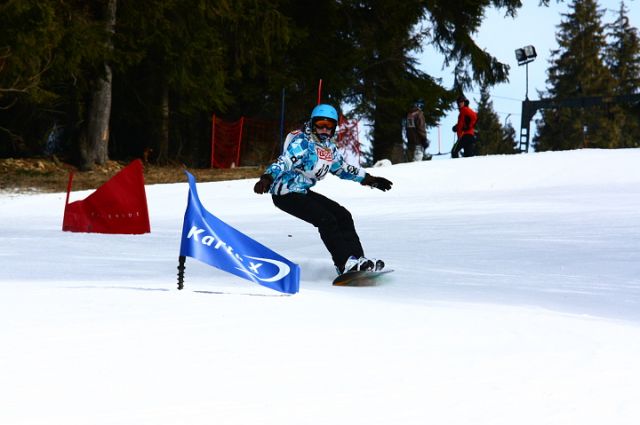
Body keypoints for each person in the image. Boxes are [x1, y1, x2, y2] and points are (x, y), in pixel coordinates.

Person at [253, 104, 393, 275]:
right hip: (285, 193)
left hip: (302, 191)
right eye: (320, 124)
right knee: (326, 219)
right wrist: (267, 177)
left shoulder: (329, 148)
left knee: (343, 215)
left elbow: (342, 169)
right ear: (312, 124)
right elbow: (285, 161)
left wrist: (368, 179)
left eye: (329, 126)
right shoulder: (303, 142)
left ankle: (357, 259)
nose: (324, 130)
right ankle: (343, 264)